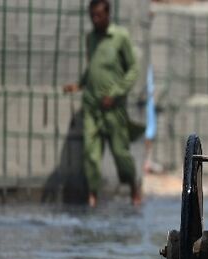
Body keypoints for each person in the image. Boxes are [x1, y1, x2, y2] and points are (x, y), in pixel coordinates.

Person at [63, 0, 141, 208]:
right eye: (92, 16)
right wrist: (79, 84)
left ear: (108, 15)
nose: (95, 20)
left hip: (113, 108)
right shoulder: (91, 38)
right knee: (91, 153)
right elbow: (93, 67)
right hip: (92, 106)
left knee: (120, 153)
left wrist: (115, 93)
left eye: (99, 15)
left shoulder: (120, 37)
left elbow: (133, 69)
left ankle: (133, 186)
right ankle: (93, 196)